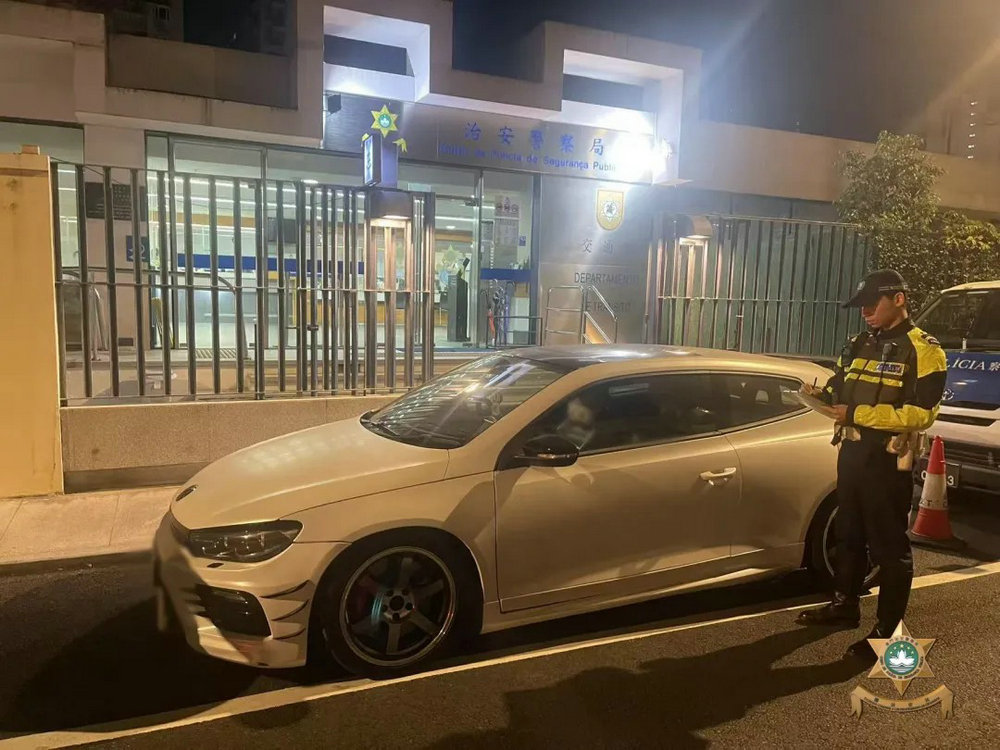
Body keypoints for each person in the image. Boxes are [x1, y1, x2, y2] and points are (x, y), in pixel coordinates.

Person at [795, 269, 947, 661]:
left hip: (887, 461)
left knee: (889, 547)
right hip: (851, 454)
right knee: (849, 534)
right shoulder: (859, 342)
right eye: (860, 306)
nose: (864, 312)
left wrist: (857, 413)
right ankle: (844, 605)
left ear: (899, 299)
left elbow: (922, 413)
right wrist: (821, 395)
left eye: (870, 304)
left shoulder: (924, 349)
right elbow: (840, 386)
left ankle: (887, 632)